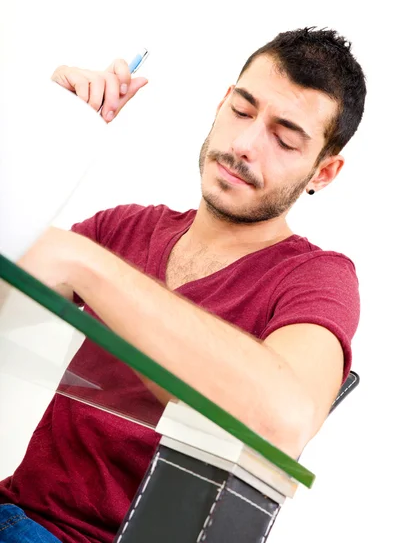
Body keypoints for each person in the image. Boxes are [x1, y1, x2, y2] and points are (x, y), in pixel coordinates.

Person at [0, 27, 367, 543]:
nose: (244, 145)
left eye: (284, 139)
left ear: (323, 173)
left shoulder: (315, 277)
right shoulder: (122, 228)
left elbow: (284, 420)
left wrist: (83, 261)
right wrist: (39, 140)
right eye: (241, 111)